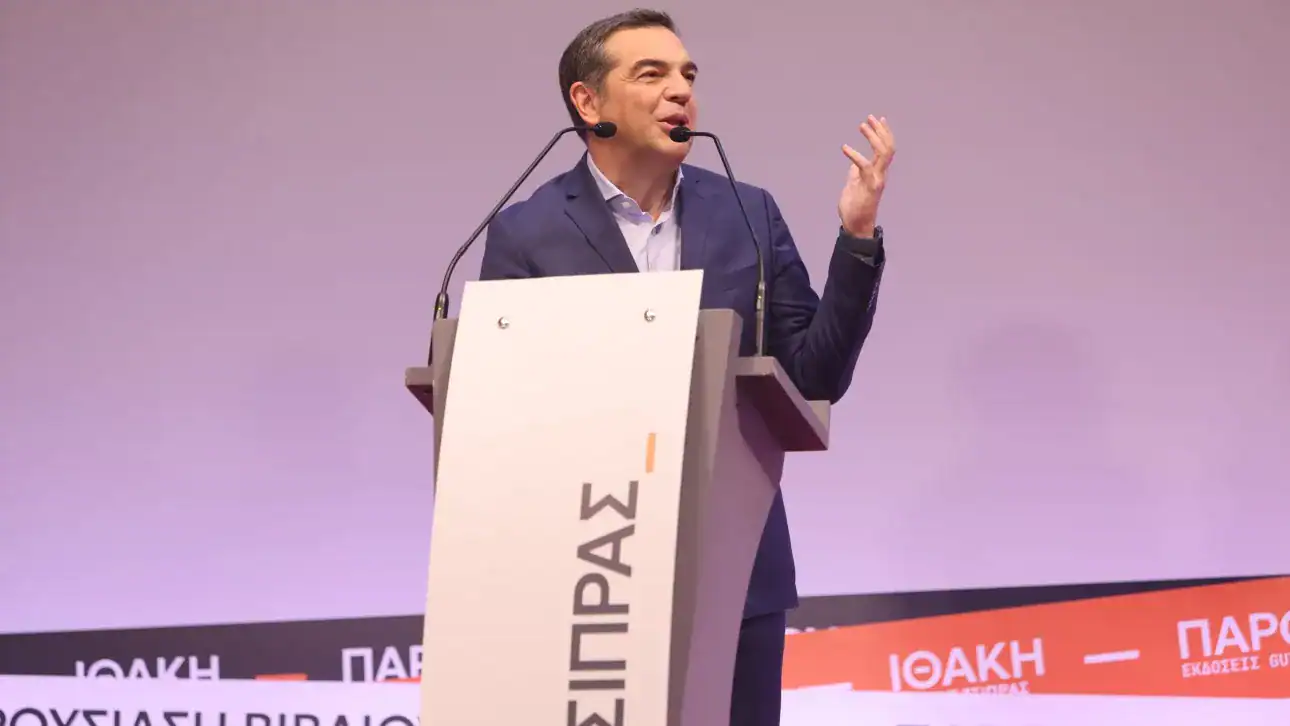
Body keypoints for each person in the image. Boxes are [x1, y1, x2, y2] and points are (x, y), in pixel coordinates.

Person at [478, 8, 893, 725]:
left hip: (737, 568)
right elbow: (499, 403)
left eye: (688, 76)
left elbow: (813, 378)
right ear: (588, 102)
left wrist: (856, 238)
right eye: (652, 74)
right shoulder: (527, 232)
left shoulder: (747, 213)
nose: (681, 91)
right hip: (585, 577)